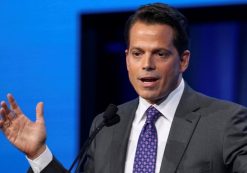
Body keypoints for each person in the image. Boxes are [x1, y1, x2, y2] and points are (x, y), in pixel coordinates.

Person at [1, 2, 247, 173]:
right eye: (137, 53)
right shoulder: (106, 125)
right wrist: (38, 154)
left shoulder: (226, 122)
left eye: (160, 54)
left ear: (183, 60)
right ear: (126, 58)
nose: (147, 65)